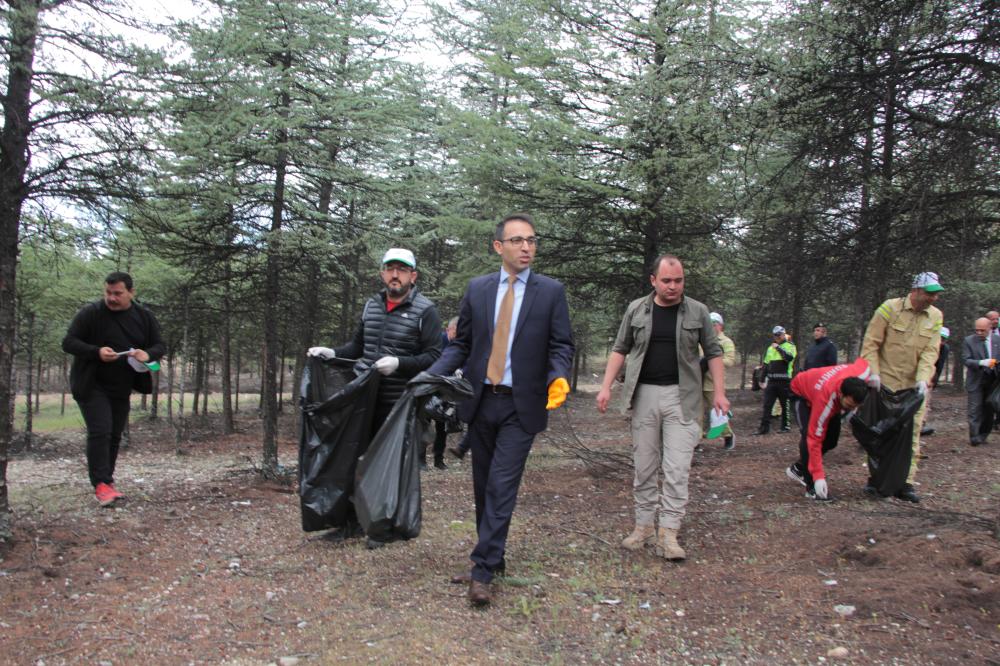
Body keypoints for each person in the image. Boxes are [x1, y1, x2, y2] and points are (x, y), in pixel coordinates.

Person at [428, 213, 574, 607]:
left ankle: (482, 570)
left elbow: (561, 345)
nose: (527, 247)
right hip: (480, 402)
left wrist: (558, 375)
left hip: (521, 406)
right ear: (499, 247)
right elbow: (462, 345)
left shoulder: (550, 292)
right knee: (483, 486)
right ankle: (495, 557)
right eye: (517, 241)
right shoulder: (478, 289)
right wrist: (431, 374)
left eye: (531, 240)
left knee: (501, 485)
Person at [596, 255, 729, 563]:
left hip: (683, 399)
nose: (673, 286)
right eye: (667, 280)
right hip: (643, 396)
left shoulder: (698, 311)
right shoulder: (636, 309)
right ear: (653, 281)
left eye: (678, 280)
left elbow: (714, 352)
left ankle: (668, 533)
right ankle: (643, 527)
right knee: (644, 465)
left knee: (677, 468)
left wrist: (720, 393)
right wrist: (605, 386)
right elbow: (620, 348)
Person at [307, 248, 442, 436]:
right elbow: (357, 348)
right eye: (390, 269)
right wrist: (333, 353)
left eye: (402, 269)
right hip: (364, 402)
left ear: (413, 276)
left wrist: (399, 363)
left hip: (401, 405)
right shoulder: (371, 306)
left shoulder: (426, 311)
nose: (395, 275)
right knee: (360, 461)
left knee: (391, 464)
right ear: (382, 274)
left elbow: (434, 357)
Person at [62, 272, 165, 507]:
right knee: (100, 430)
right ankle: (101, 484)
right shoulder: (91, 313)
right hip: (90, 383)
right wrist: (96, 352)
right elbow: (68, 342)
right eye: (108, 293)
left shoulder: (144, 317)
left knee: (114, 435)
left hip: (121, 385)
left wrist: (147, 354)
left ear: (131, 292)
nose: (112, 298)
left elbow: (159, 345)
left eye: (117, 293)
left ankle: (107, 482)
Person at [860, 271, 944, 503]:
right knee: (881, 433)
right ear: (916, 290)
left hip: (913, 386)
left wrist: (923, 378)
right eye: (930, 293)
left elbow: (931, 351)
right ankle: (876, 479)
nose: (933, 298)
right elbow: (871, 343)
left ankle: (906, 482)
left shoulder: (935, 316)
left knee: (912, 432)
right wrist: (873, 374)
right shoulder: (889, 308)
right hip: (885, 384)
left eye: (936, 295)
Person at [785, 358, 870, 500]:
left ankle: (798, 468)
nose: (851, 409)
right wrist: (818, 476)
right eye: (849, 405)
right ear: (841, 394)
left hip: (819, 388)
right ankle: (811, 487)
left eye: (855, 406)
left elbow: (864, 362)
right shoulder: (825, 402)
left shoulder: (861, 373)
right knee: (808, 437)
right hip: (799, 392)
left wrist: (875, 378)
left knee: (831, 440)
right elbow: (814, 439)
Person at [428, 317, 460, 470]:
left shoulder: (459, 345)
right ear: (449, 329)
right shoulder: (437, 342)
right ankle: (420, 459)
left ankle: (438, 460)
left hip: (446, 390)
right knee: (425, 422)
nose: (459, 334)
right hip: (430, 387)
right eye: (456, 331)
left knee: (443, 425)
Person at [702, 312, 736, 450]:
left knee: (718, 412)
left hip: (714, 383)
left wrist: (713, 361)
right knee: (697, 413)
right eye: (708, 325)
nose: (711, 327)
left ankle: (728, 435)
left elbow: (730, 361)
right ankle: (696, 440)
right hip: (698, 381)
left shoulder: (726, 342)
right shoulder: (701, 340)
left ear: (720, 326)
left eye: (714, 324)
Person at [753, 326, 797, 435]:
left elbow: (789, 358)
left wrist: (778, 348)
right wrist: (762, 378)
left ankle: (785, 427)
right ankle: (764, 428)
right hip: (772, 380)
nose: (777, 337)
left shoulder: (790, 346)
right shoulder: (770, 348)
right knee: (767, 405)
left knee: (784, 404)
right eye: (775, 335)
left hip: (784, 380)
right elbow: (766, 364)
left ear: (783, 335)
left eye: (779, 335)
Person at [962, 317, 998, 446]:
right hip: (976, 379)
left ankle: (983, 434)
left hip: (992, 381)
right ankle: (974, 436)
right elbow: (966, 360)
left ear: (989, 328)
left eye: (982, 330)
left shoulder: (997, 340)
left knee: (989, 409)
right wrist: (981, 363)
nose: (979, 333)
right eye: (977, 330)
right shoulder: (969, 341)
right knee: (974, 409)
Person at [920, 326, 950, 438]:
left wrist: (933, 381)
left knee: (926, 402)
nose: (941, 342)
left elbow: (939, 366)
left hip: (931, 376)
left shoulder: (945, 349)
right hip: (920, 374)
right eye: (940, 338)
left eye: (944, 339)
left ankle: (921, 424)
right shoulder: (927, 344)